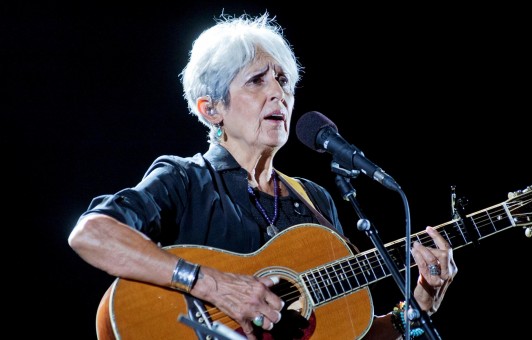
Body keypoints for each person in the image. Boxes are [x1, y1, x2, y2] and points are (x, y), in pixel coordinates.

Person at [68, 12, 457, 340]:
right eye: (257, 81)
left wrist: (419, 305)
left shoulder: (314, 201)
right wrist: (214, 285)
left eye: (283, 81)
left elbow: (349, 331)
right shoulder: (184, 179)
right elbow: (92, 234)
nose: (279, 94)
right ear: (211, 108)